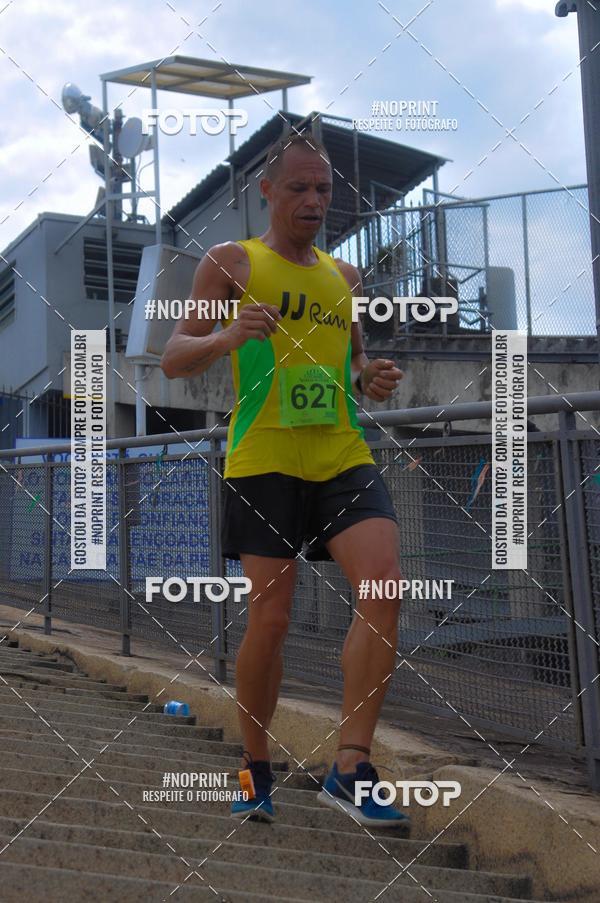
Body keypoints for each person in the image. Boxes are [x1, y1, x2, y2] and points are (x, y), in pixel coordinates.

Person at [161, 132, 409, 828]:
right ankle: (254, 766)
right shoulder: (233, 262)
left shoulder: (346, 279)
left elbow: (355, 363)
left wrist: (371, 377)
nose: (312, 200)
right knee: (270, 619)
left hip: (339, 454)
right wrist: (224, 337)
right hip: (264, 457)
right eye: (298, 187)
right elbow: (173, 358)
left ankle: (351, 765)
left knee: (384, 586)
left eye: (323, 190)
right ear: (266, 192)